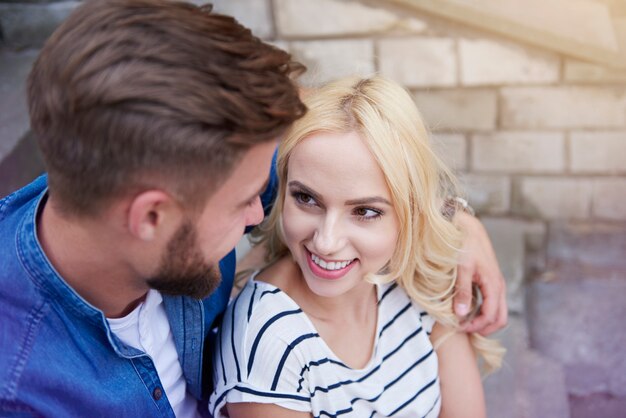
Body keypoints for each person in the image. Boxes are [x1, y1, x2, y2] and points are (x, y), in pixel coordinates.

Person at [0, 0, 505, 416]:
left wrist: (453, 218)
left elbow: (351, 139)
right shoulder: (23, 390)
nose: (257, 216)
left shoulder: (179, 172)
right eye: (247, 200)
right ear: (151, 217)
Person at [209, 75, 504, 418]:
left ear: (409, 211)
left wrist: (462, 223)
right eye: (306, 198)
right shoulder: (268, 341)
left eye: (365, 211)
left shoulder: (423, 279)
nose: (326, 241)